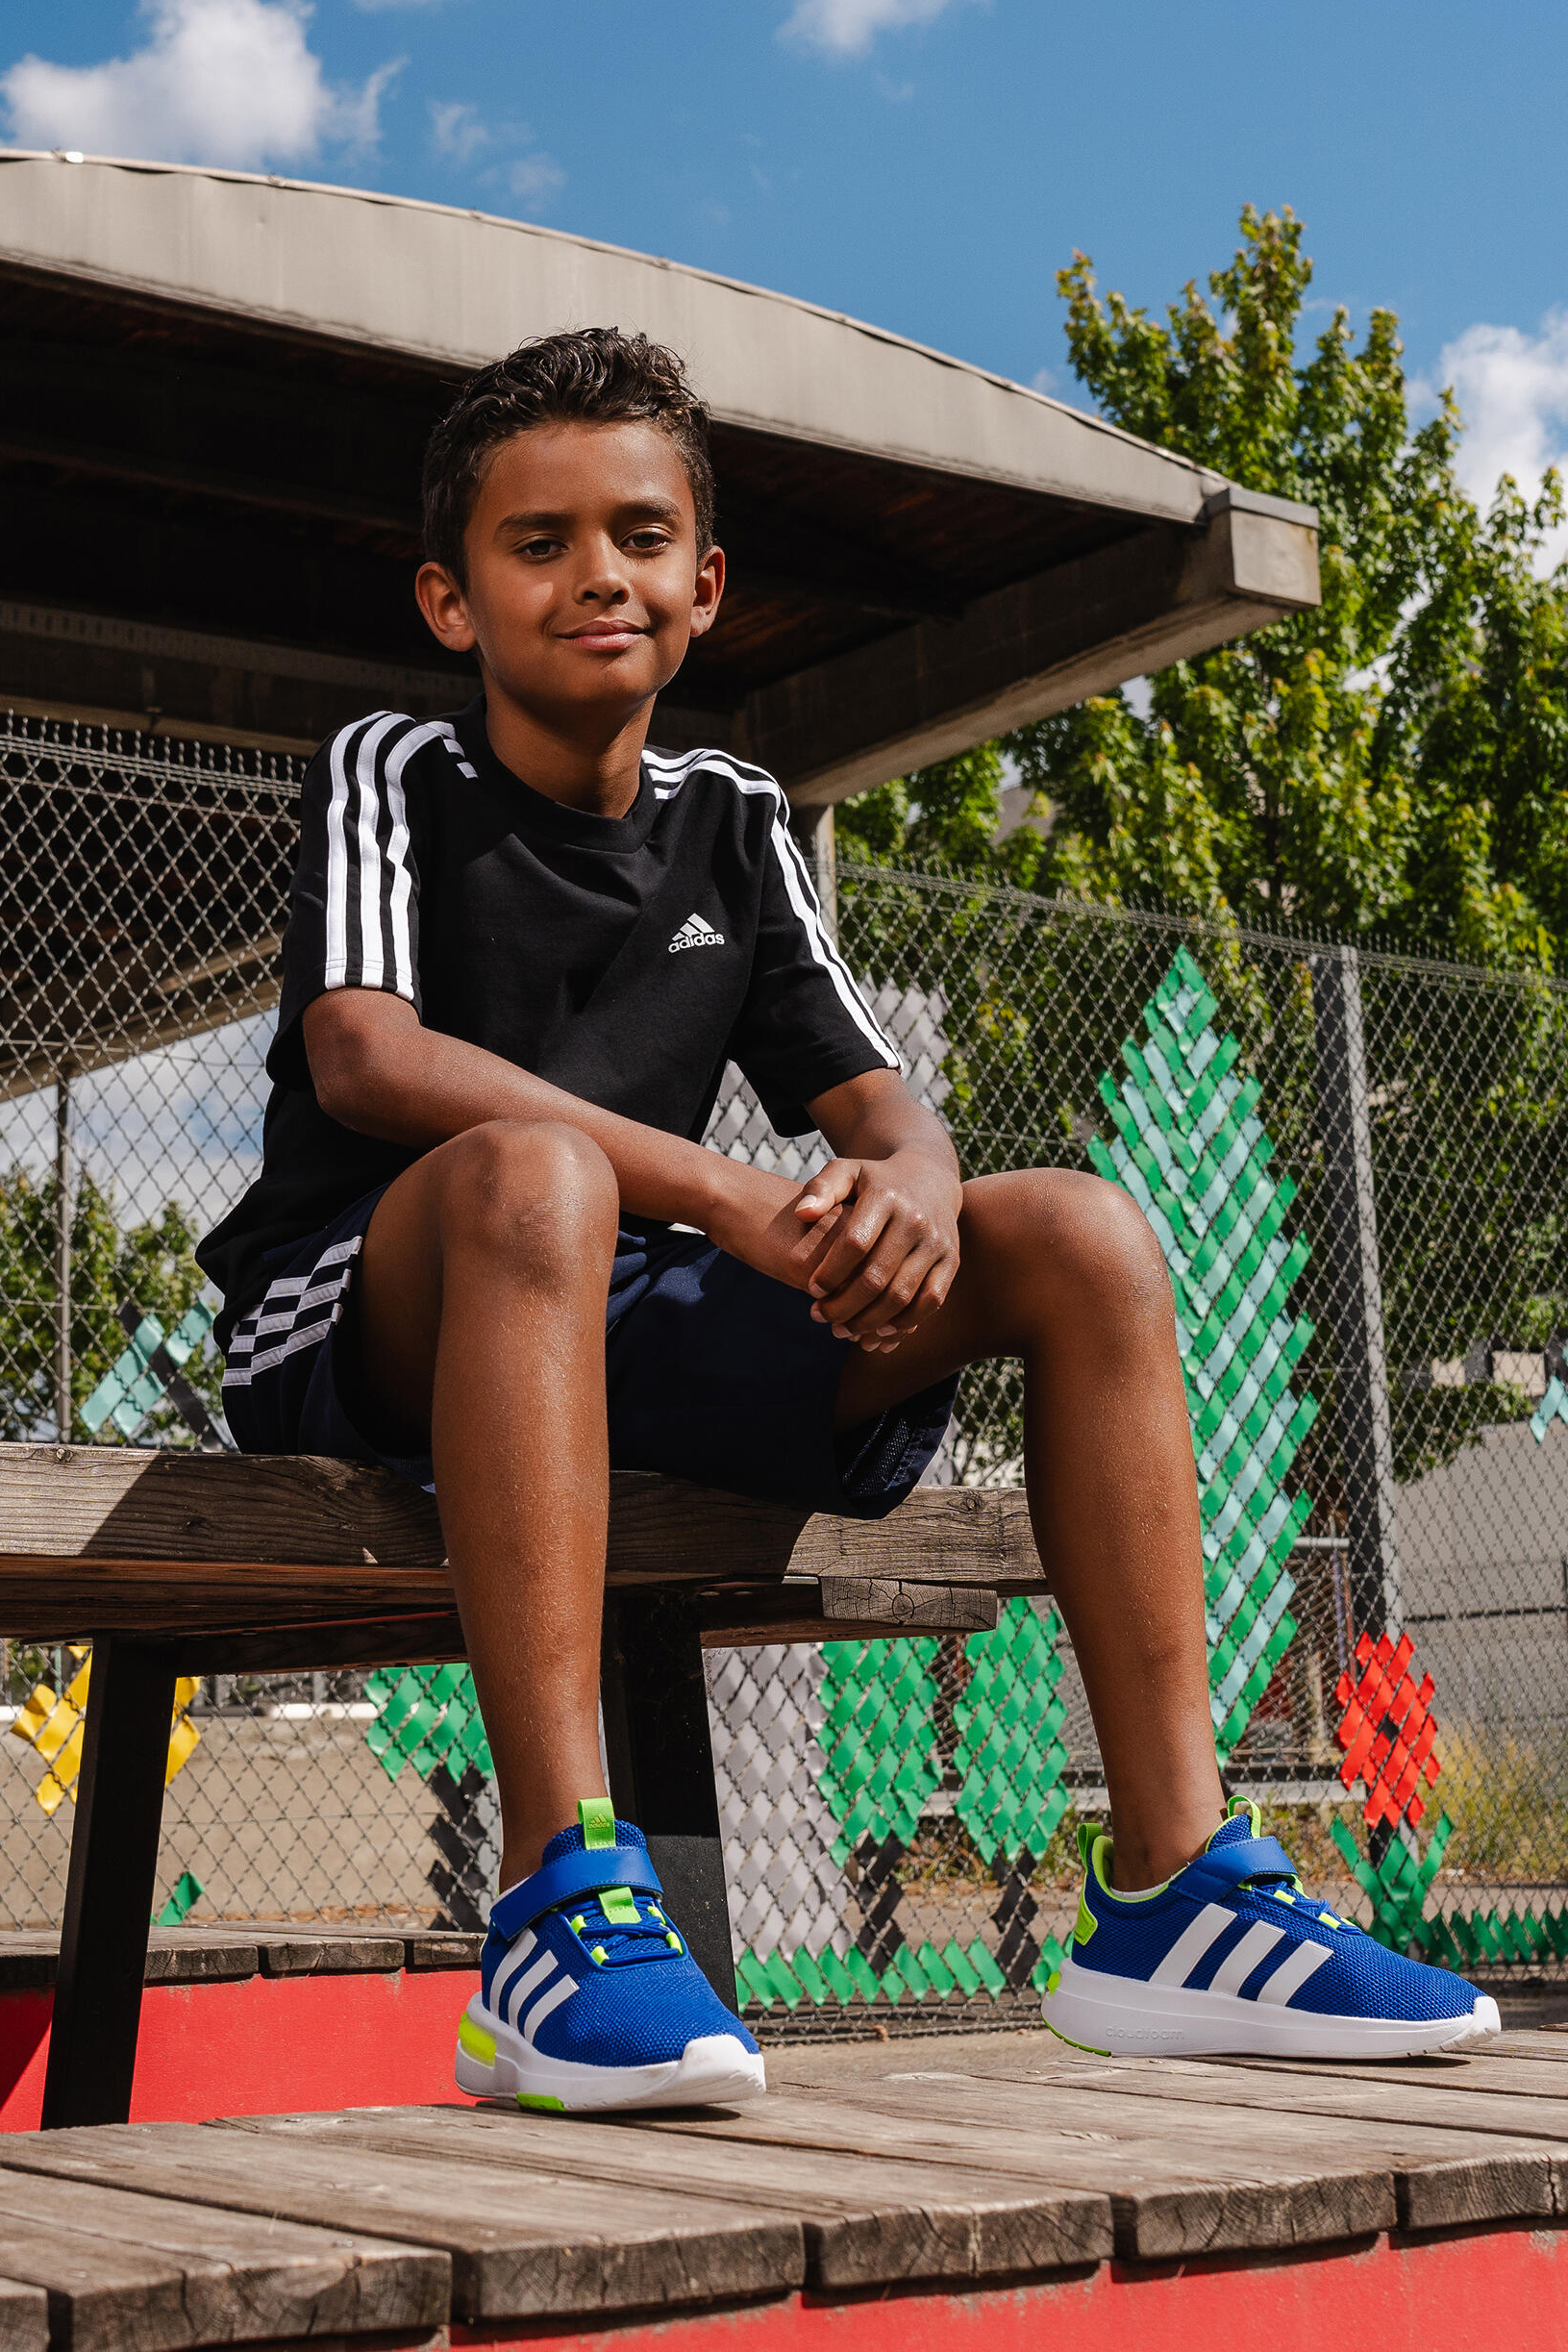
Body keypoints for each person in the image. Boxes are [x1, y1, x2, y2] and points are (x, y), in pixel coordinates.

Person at [198, 328, 1498, 2113]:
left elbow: (883, 1101)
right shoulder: (393, 773)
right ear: (449, 598)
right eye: (539, 542)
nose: (600, 576)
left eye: (642, 536)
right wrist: (732, 1193)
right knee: (536, 1177)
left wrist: (908, 1192)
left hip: (610, 1313)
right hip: (364, 1320)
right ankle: (551, 1901)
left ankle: (1174, 1897)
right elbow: (364, 1058)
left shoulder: (732, 823)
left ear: (707, 583)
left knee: (1078, 1234)